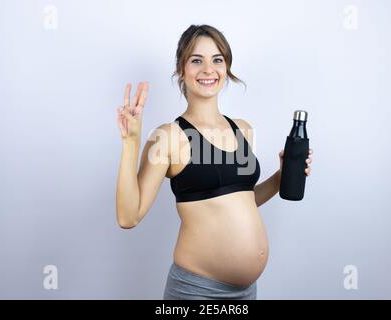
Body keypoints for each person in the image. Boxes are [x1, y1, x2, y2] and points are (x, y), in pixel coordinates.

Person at [116, 24, 313, 300]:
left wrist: (281, 178)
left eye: (217, 59)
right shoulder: (169, 136)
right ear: (181, 69)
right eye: (197, 60)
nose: (208, 69)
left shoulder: (242, 129)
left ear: (226, 67)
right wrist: (131, 143)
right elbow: (129, 216)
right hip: (196, 291)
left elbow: (242, 200)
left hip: (246, 293)